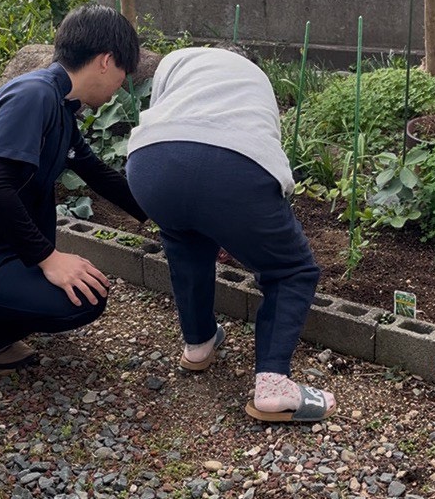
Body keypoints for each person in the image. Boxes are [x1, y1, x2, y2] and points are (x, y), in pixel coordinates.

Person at [0, 5, 147, 370]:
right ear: (106, 61)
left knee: (81, 288)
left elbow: (96, 172)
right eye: (123, 75)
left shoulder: (58, 103)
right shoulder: (34, 95)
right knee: (83, 299)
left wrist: (163, 215)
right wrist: (50, 259)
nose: (120, 87)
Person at [125, 46, 337, 422]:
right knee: (292, 270)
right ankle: (273, 386)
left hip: (149, 163)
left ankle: (198, 345)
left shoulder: (179, 59)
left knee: (185, 246)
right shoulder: (257, 79)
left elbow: (167, 117)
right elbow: (260, 145)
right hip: (234, 165)